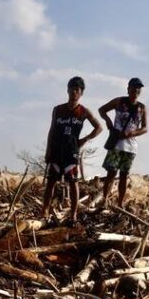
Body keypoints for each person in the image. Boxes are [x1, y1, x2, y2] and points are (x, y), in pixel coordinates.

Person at [42, 76, 103, 223]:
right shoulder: (58, 110)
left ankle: (73, 214)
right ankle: (44, 210)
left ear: (81, 93)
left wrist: (84, 140)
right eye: (72, 89)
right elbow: (51, 130)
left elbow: (99, 127)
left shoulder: (83, 111)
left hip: (72, 150)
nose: (74, 92)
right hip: (57, 149)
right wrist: (48, 150)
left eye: (78, 90)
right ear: (67, 90)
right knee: (51, 181)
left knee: (73, 182)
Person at [99, 77, 149, 208]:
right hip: (116, 143)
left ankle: (120, 204)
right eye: (134, 87)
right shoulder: (119, 101)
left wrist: (131, 133)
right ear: (128, 89)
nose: (136, 90)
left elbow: (145, 128)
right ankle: (104, 200)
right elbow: (102, 110)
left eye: (139, 88)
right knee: (111, 173)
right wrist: (108, 121)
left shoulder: (142, 108)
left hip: (131, 147)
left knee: (124, 175)